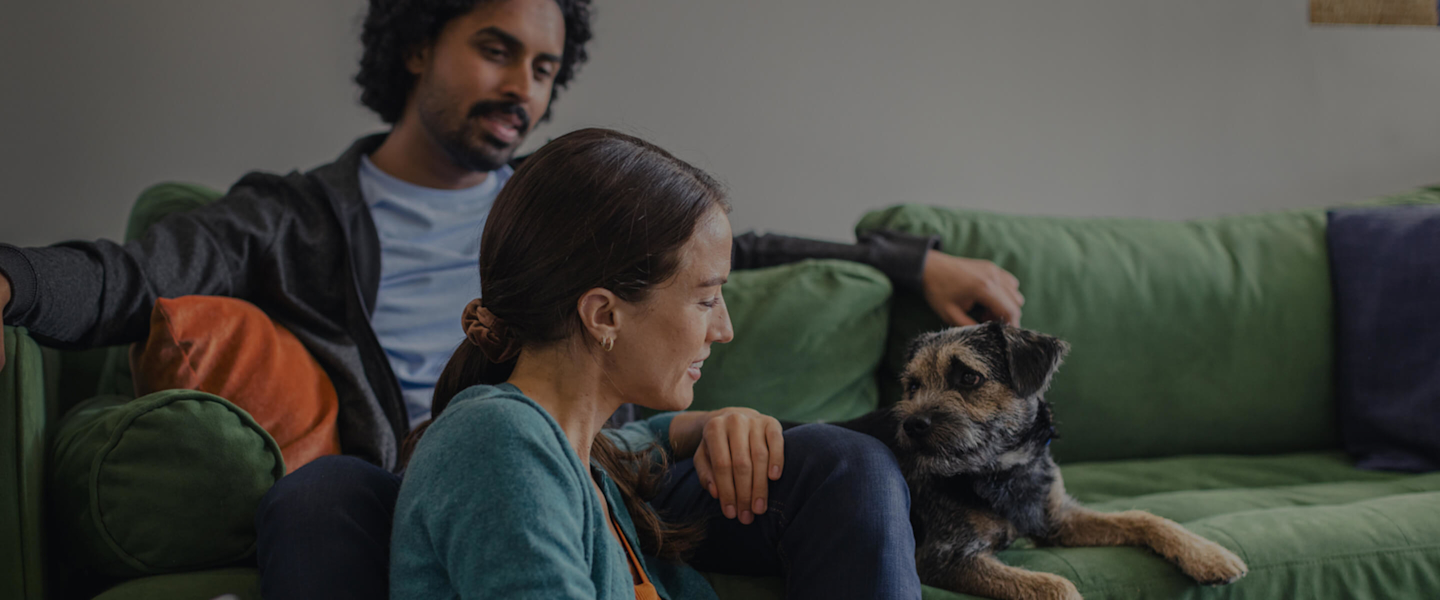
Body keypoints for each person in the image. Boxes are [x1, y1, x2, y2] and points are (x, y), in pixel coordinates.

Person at [0, 0, 1024, 597]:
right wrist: (9, 285)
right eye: (496, 50)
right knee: (315, 499)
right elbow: (133, 273)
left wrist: (908, 264)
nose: (524, 87)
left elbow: (725, 249)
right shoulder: (296, 218)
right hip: (415, 468)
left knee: (843, 459)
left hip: (606, 456)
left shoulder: (561, 193)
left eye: (543, 66)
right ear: (414, 43)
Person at [394, 126, 909, 599]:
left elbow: (636, 441)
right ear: (604, 315)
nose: (724, 329)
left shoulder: (579, 454)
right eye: (707, 299)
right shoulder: (497, 442)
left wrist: (711, 423)